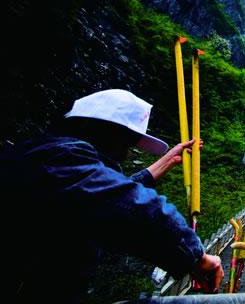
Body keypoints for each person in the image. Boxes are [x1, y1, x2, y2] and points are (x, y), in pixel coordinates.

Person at [0, 89, 223, 301]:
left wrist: (168, 161)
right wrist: (198, 257)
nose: (125, 154)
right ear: (96, 128)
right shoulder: (58, 160)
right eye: (125, 141)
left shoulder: (47, 158)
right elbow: (132, 207)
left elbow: (106, 194)